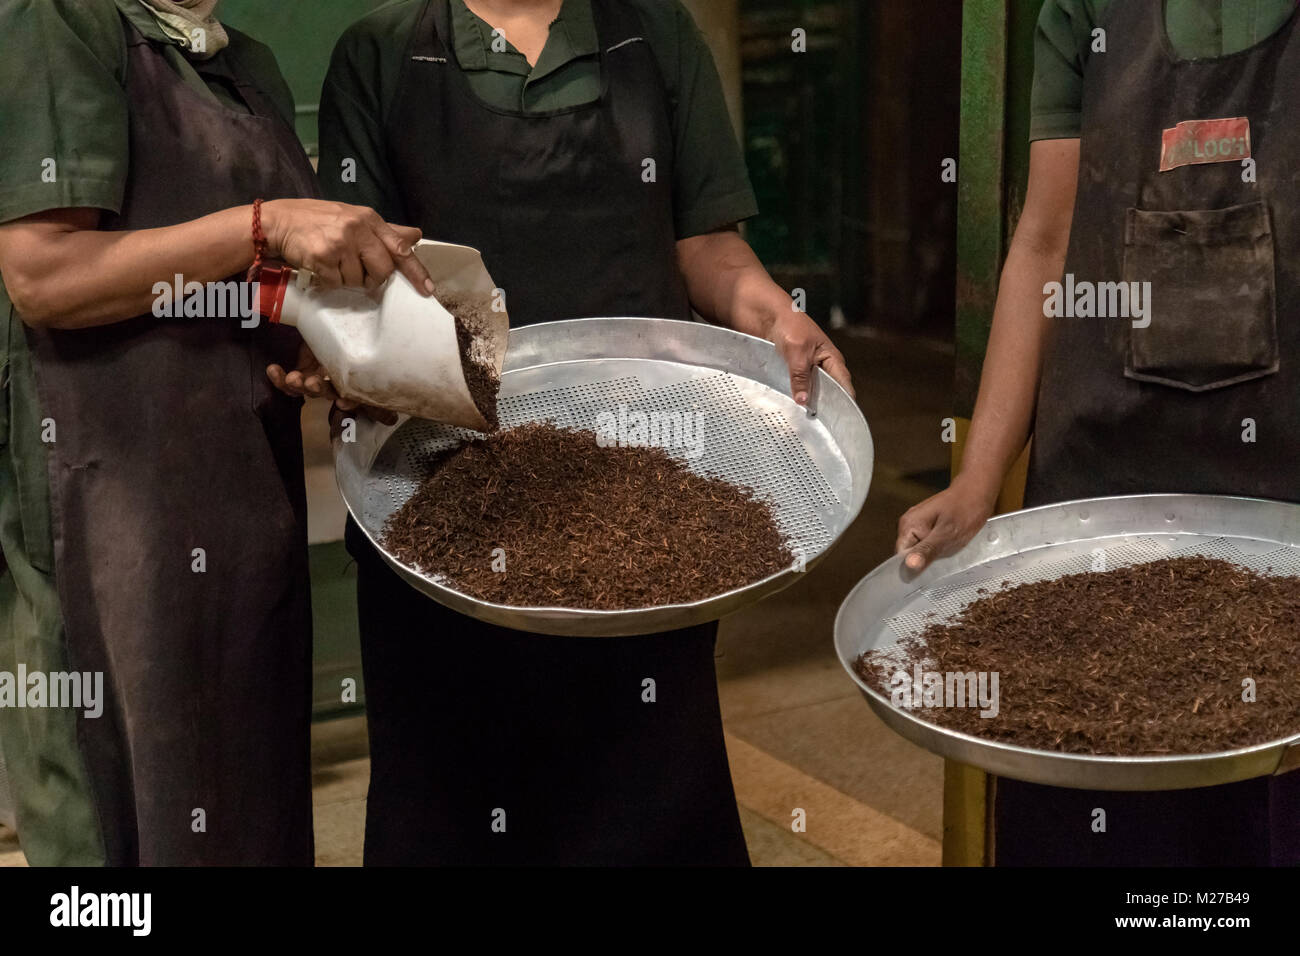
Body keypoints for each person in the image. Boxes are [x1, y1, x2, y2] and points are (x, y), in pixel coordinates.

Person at [316, 0, 853, 865]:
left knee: (646, 792)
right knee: (454, 802)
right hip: (445, 492)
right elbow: (352, 278)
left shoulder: (654, 34)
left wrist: (773, 316)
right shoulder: (380, 54)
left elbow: (707, 244)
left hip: (647, 491)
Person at [0, 0, 432, 866]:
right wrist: (264, 224)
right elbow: (45, 276)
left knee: (243, 814)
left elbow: (242, 285)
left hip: (240, 518)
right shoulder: (61, 20)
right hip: (111, 522)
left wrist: (324, 352)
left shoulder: (247, 64)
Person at [896, 0, 1300, 865]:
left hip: (1285, 516)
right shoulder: (1084, 13)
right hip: (1098, 509)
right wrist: (977, 480)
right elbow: (1043, 246)